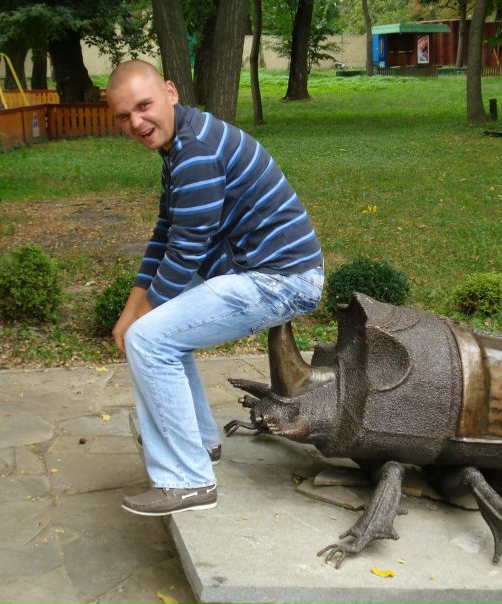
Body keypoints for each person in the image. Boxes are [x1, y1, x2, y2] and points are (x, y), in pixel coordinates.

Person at [105, 60, 324, 516]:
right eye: (123, 116)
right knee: (152, 334)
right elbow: (165, 233)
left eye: (144, 106)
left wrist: (141, 321)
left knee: (151, 339)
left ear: (170, 92)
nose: (136, 123)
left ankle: (188, 481)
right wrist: (129, 312)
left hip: (280, 279)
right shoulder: (182, 143)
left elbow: (184, 253)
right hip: (255, 270)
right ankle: (202, 443)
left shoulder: (197, 151)